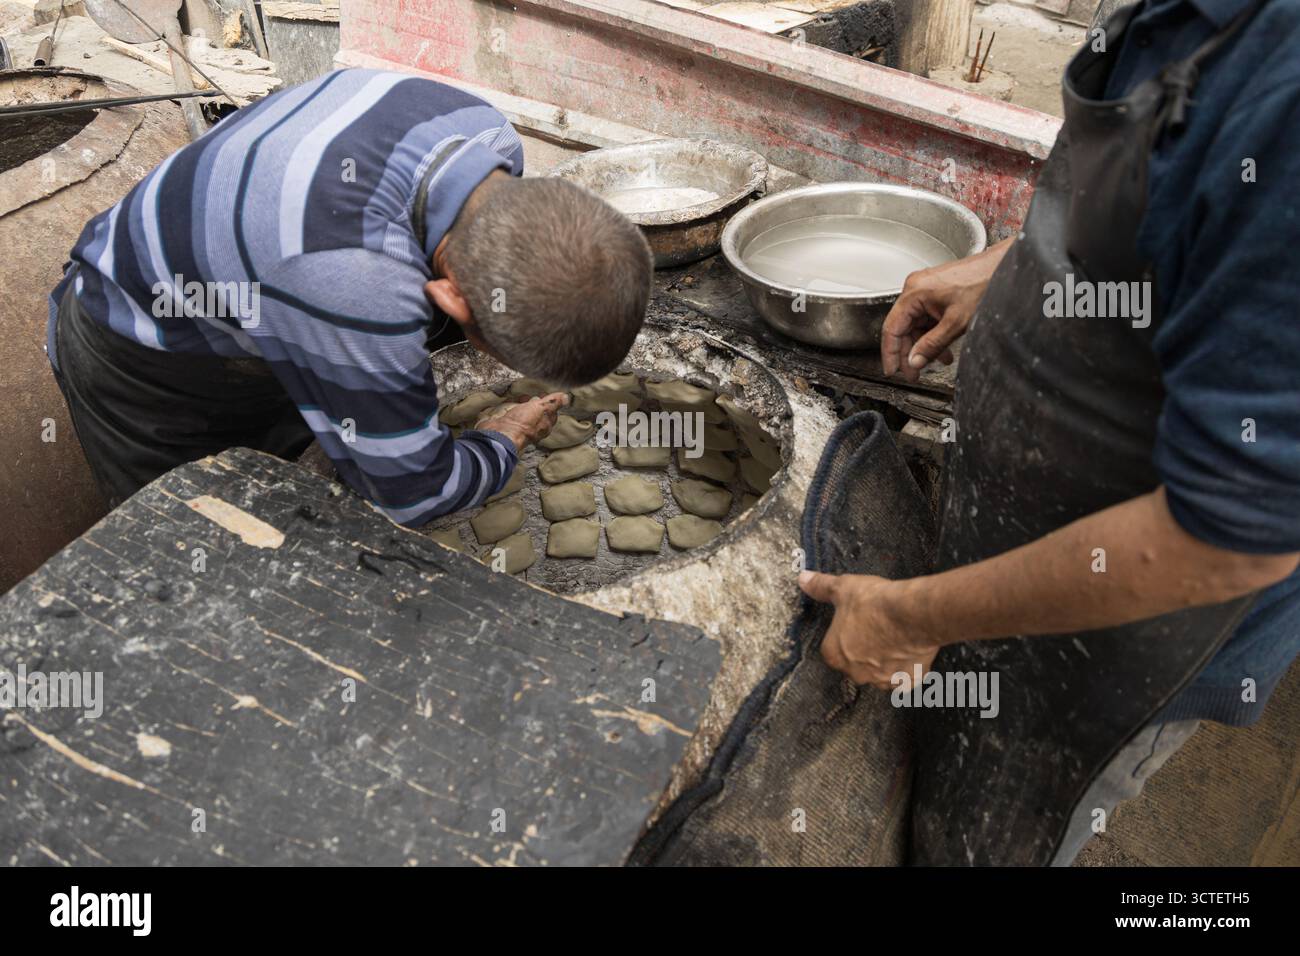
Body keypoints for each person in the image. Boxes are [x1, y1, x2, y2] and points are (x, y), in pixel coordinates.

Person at [799, 0, 1300, 864]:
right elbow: (1177, 219)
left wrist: (912, 617)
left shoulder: (1285, 107)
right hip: (1021, 551)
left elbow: (1228, 539)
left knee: (993, 840)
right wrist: (1023, 263)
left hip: (1118, 641)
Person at [47, 69, 653, 526]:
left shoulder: (487, 132)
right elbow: (417, 497)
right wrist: (504, 438)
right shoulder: (351, 281)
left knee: (308, 467)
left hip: (264, 282)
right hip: (143, 353)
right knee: (185, 536)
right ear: (450, 298)